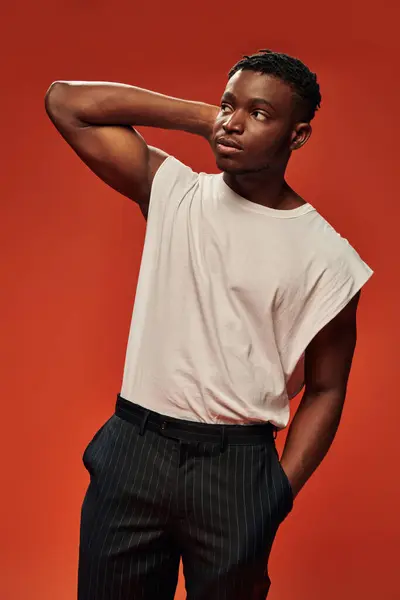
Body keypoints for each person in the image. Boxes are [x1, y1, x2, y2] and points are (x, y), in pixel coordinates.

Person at [45, 49, 373, 600]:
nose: (234, 122)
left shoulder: (329, 258)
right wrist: (205, 117)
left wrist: (275, 494)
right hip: (134, 449)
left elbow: (327, 387)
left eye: (261, 114)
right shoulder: (177, 191)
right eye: (229, 105)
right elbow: (66, 102)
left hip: (237, 468)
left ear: (298, 136)